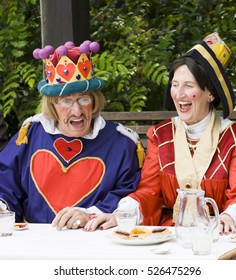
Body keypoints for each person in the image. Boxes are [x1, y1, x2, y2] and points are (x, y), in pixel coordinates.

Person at [85, 32, 236, 234]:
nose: (179, 94)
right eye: (175, 85)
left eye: (188, 86)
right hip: (170, 235)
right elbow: (149, 191)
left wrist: (228, 217)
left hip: (217, 235)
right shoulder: (160, 134)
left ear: (211, 94)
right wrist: (121, 215)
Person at [0, 40, 143, 230]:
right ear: (52, 105)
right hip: (37, 241)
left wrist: (91, 214)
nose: (77, 111)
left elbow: (129, 197)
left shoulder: (122, 143)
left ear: (95, 101)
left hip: (98, 242)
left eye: (84, 99)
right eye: (65, 101)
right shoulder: (30, 135)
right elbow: (6, 185)